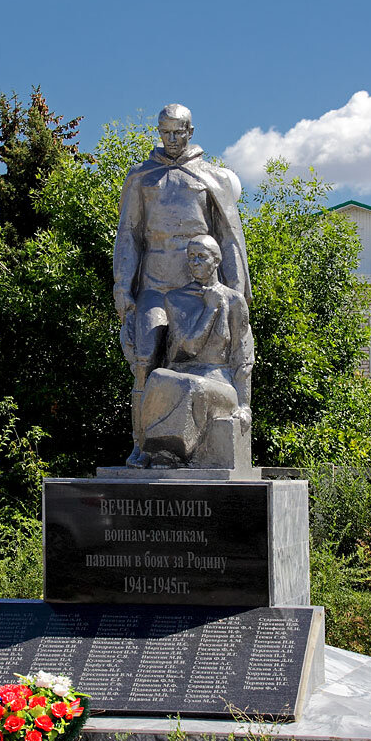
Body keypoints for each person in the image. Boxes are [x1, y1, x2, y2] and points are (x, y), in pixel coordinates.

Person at [113, 103, 251, 467]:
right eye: (165, 132)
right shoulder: (141, 177)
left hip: (198, 286)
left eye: (179, 132)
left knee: (199, 362)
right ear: (158, 131)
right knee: (145, 358)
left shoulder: (211, 176)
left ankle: (194, 446)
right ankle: (143, 446)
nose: (172, 139)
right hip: (156, 285)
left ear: (191, 131)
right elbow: (128, 235)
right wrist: (122, 286)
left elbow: (228, 237)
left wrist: (236, 290)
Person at [139, 235, 253, 468]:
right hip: (183, 373)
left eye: (202, 257)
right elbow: (189, 347)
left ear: (216, 261)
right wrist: (210, 309)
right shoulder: (176, 298)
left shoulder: (234, 301)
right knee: (158, 378)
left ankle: (173, 453)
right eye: (191, 257)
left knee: (195, 387)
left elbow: (242, 357)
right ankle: (156, 449)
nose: (195, 262)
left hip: (221, 383)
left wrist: (244, 405)